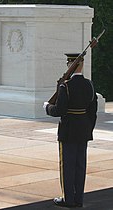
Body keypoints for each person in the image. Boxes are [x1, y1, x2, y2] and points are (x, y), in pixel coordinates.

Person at [43, 53, 98, 208]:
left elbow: (59, 110)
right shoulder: (89, 85)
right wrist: (88, 129)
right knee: (80, 165)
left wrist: (47, 107)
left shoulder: (65, 86)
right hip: (83, 130)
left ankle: (68, 199)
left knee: (67, 166)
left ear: (70, 65)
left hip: (68, 131)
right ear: (82, 65)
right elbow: (92, 111)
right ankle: (78, 198)